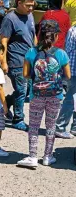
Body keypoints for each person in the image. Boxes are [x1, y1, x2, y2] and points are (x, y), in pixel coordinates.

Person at [17, 20, 71, 167]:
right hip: (55, 96)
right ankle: (48, 156)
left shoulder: (31, 52)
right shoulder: (61, 54)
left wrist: (40, 77)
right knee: (51, 126)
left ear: (39, 35)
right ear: (56, 37)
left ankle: (32, 156)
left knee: (34, 125)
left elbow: (26, 74)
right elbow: (68, 75)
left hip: (37, 95)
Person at [0, 0, 37, 131]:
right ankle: (18, 119)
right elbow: (4, 40)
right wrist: (3, 61)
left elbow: (33, 36)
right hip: (16, 61)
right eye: (28, 5)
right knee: (22, 90)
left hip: (30, 60)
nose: (31, 8)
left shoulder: (30, 16)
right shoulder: (10, 19)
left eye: (32, 5)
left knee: (26, 91)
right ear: (19, 3)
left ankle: (7, 102)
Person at [55, 21, 76, 139]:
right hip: (74, 70)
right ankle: (60, 127)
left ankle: (74, 127)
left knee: (73, 98)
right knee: (71, 99)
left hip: (71, 69)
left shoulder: (73, 29)